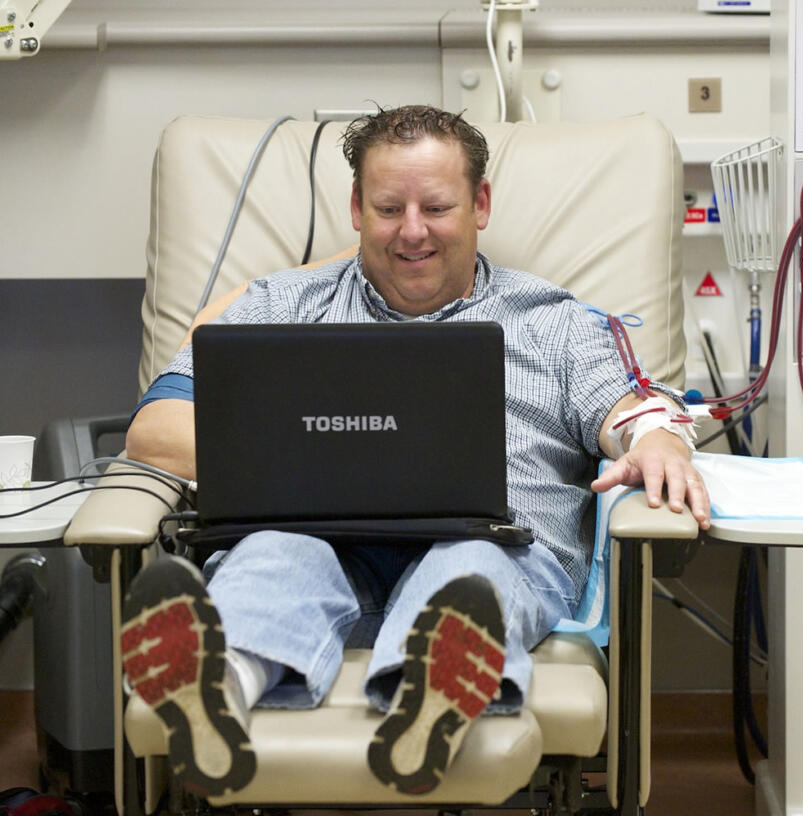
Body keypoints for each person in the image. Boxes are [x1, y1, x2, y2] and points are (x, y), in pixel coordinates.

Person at [119, 104, 710, 798]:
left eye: (436, 207)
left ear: (481, 203)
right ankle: (212, 692)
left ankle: (428, 694)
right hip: (315, 543)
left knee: (470, 573)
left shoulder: (554, 321)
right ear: (355, 208)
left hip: (496, 547)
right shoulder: (277, 306)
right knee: (274, 558)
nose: (412, 231)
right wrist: (321, 458)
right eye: (388, 208)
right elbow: (154, 432)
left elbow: (632, 407)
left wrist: (659, 437)